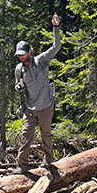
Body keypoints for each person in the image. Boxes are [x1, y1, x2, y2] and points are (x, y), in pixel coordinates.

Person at [14, 13, 61, 171]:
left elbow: (56, 47)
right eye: (18, 55)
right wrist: (18, 87)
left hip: (45, 106)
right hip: (30, 108)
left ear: (29, 52)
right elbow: (18, 85)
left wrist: (55, 28)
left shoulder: (41, 61)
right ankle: (22, 165)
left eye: (22, 54)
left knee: (46, 136)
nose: (20, 57)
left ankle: (48, 161)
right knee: (26, 135)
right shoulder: (19, 69)